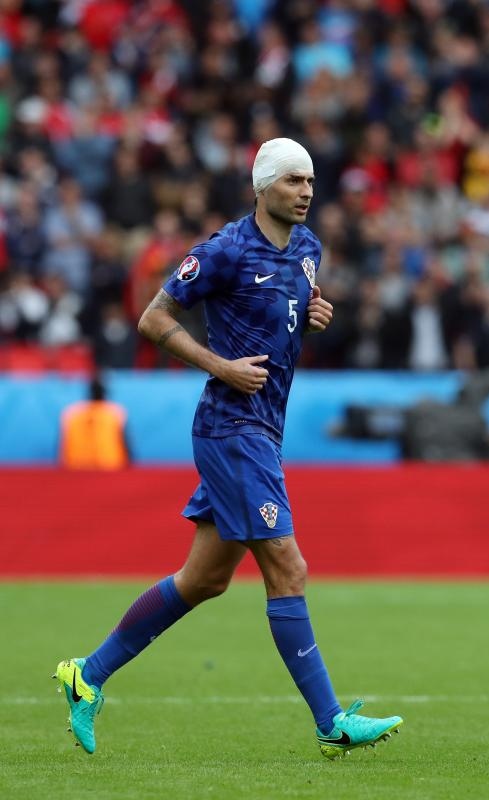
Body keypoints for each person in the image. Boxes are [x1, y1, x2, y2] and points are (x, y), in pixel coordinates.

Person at [53, 138, 403, 760]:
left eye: (311, 181)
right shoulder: (224, 251)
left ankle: (88, 674)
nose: (306, 191)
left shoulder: (308, 250)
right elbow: (153, 319)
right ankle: (331, 723)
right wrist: (221, 365)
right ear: (263, 185)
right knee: (288, 568)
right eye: (294, 181)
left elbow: (292, 310)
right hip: (230, 428)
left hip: (263, 428)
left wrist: (313, 312)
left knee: (205, 579)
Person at [59, 375, 130, 469]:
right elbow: (125, 440)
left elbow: (63, 442)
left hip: (76, 463)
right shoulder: (114, 411)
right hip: (109, 463)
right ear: (105, 393)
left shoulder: (72, 411)